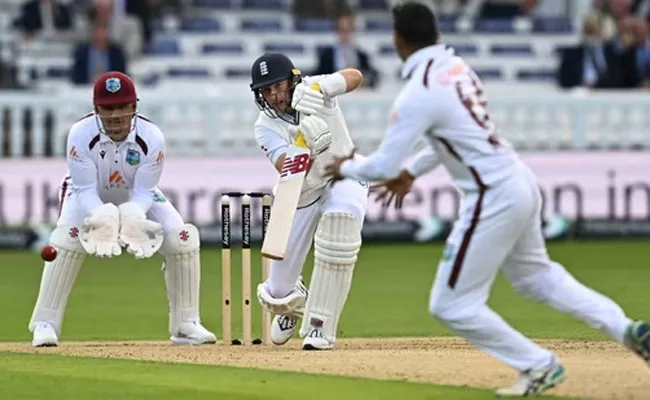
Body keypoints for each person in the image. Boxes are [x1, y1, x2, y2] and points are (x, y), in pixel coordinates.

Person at [325, 2, 650, 396]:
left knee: (451, 305)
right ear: (437, 35)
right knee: (537, 277)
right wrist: (412, 173)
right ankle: (625, 328)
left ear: (397, 41)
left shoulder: (418, 93)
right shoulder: (457, 69)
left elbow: (383, 165)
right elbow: (447, 140)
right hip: (519, 180)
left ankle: (538, 365)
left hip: (492, 196)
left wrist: (344, 169)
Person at [29, 71, 216, 347]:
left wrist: (132, 214)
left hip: (135, 195)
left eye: (122, 107)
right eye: (108, 108)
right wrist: (103, 215)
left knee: (182, 239)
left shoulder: (152, 138)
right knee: (66, 239)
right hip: (87, 194)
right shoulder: (80, 134)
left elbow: (144, 191)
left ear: (134, 106)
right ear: (96, 109)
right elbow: (83, 190)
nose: (116, 116)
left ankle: (186, 324)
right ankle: (45, 324)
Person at [250, 53, 369, 350]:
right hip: (300, 191)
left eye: (278, 86)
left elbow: (355, 75)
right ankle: (296, 301)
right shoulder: (264, 125)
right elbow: (285, 169)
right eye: (267, 90)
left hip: (343, 175)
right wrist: (306, 150)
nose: (275, 96)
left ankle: (320, 327)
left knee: (340, 224)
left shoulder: (314, 87)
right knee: (277, 295)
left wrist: (323, 88)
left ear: (292, 80)